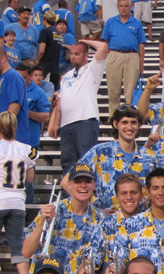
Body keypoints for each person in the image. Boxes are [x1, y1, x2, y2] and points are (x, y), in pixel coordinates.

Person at [76, 105, 155, 211]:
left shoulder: (149, 156)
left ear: (139, 125)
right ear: (115, 124)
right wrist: (94, 212)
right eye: (125, 122)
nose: (129, 127)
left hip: (140, 221)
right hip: (104, 221)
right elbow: (68, 181)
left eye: (133, 122)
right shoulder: (99, 152)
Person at [47, 39, 108, 173]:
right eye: (72, 54)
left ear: (86, 55)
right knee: (67, 163)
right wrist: (56, 123)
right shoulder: (66, 76)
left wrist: (84, 41)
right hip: (66, 123)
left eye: (77, 54)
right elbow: (60, 102)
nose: (73, 57)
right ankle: (67, 194)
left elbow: (103, 47)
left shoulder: (92, 68)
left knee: (86, 161)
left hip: (85, 119)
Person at [0, 111, 35, 274]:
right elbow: (30, 178)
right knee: (18, 248)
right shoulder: (26, 149)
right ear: (15, 127)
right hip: (18, 202)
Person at [101, 0, 146, 115]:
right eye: (121, 6)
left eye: (126, 6)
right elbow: (105, 42)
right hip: (114, 55)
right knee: (113, 89)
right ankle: (113, 117)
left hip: (132, 55)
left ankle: (129, 115)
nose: (123, 8)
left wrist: (141, 64)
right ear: (118, 7)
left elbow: (141, 44)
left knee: (130, 91)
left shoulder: (136, 23)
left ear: (130, 7)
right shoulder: (111, 22)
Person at [16, 63, 49, 151]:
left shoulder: (38, 92)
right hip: (12, 140)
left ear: (30, 76)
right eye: (18, 77)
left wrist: (26, 112)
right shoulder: (11, 89)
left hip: (29, 140)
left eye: (24, 77)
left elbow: (46, 117)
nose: (20, 80)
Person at [35, 12, 61, 90]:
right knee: (53, 91)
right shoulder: (58, 33)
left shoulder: (45, 31)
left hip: (46, 67)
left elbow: (42, 50)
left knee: (42, 90)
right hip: (56, 68)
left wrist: (37, 60)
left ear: (45, 19)